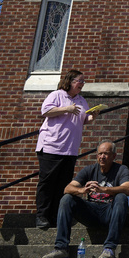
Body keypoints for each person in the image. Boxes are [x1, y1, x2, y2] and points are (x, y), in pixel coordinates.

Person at [41, 141, 129, 258]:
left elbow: (128, 189)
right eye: (100, 154)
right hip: (91, 211)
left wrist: (104, 189)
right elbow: (67, 189)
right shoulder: (89, 170)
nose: (102, 157)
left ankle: (109, 249)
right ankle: (61, 250)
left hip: (110, 212)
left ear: (114, 156)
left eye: (106, 154)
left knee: (121, 197)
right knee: (67, 199)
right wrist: (82, 190)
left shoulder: (121, 169)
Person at [35, 69, 94, 230]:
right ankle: (42, 215)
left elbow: (83, 119)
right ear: (70, 81)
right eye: (79, 81)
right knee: (48, 182)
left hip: (70, 149)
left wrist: (91, 116)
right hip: (51, 146)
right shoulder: (57, 95)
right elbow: (45, 110)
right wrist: (66, 109)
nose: (82, 84)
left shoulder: (82, 101)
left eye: (83, 81)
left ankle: (54, 216)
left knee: (63, 184)